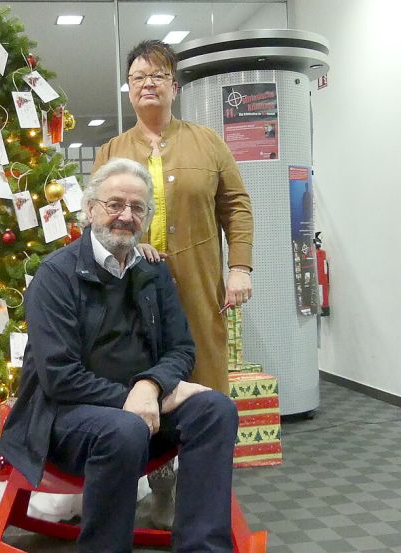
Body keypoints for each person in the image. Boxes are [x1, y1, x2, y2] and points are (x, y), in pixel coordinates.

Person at [0, 158, 239, 553]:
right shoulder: (55, 276)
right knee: (122, 428)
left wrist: (151, 386)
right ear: (90, 209)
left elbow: (182, 348)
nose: (125, 216)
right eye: (115, 205)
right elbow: (59, 375)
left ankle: (203, 546)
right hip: (64, 419)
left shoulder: (153, 271)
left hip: (145, 408)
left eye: (137, 208)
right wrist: (139, 398)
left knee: (216, 410)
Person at [92, 39, 254, 529]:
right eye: (138, 76)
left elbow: (237, 207)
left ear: (174, 86)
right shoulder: (112, 150)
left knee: (205, 384)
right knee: (146, 384)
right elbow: (99, 219)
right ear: (129, 88)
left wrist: (240, 267)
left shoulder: (208, 142)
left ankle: (204, 500)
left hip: (201, 287)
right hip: (133, 295)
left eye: (157, 76)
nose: (147, 83)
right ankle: (161, 494)